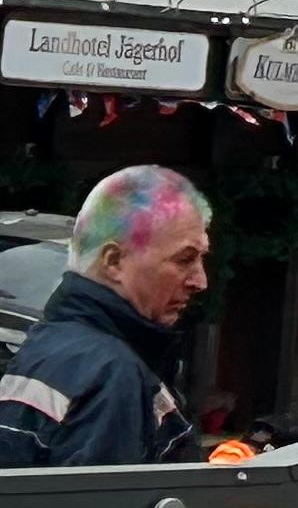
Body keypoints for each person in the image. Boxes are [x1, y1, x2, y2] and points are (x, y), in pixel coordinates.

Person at [0, 168, 208, 475]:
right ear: (113, 261)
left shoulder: (50, 343)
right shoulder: (112, 374)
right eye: (184, 259)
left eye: (202, 259)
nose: (200, 281)